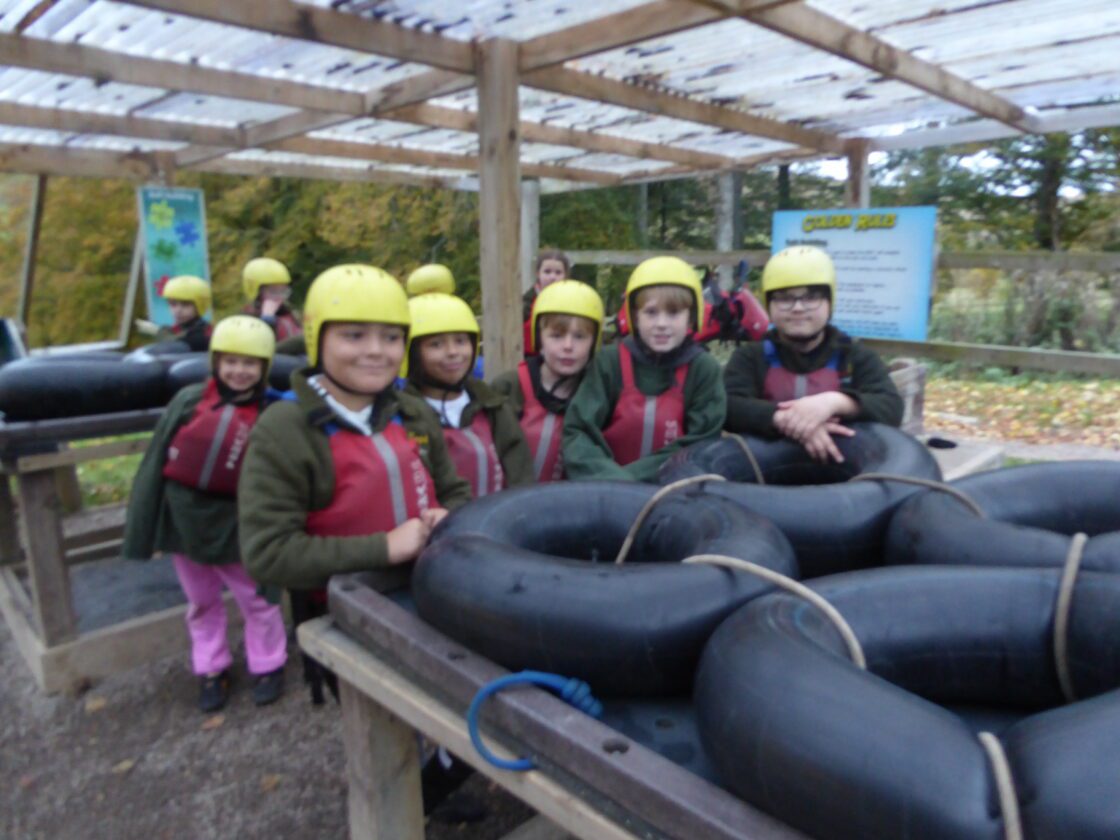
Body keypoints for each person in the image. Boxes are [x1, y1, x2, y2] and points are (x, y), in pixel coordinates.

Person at [237, 266, 480, 820]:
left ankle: (431, 788)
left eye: (391, 337)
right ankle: (397, 806)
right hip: (346, 614)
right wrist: (384, 548)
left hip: (430, 593)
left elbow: (454, 489)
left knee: (442, 703)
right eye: (353, 335)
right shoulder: (285, 429)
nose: (375, 351)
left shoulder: (410, 411)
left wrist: (449, 516)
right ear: (318, 338)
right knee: (385, 724)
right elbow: (269, 553)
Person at [122, 315, 287, 712]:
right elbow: (155, 463)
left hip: (239, 522)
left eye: (250, 363)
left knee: (258, 598)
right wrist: (145, 527)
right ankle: (212, 666)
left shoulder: (272, 411)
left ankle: (268, 663)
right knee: (200, 600)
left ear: (264, 367)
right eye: (230, 361)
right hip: (186, 520)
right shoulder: (188, 401)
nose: (239, 371)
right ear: (215, 362)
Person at [723, 245, 904, 463]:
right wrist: (789, 420)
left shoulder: (855, 357)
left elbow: (891, 407)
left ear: (829, 303)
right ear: (769, 306)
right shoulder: (750, 357)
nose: (798, 308)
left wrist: (834, 402)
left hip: (844, 470)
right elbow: (729, 405)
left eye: (811, 297)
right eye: (784, 298)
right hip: (765, 472)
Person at [562, 256, 726, 482]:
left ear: (691, 317)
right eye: (651, 312)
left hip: (671, 490)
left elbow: (701, 443)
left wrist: (630, 483)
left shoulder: (703, 370)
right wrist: (612, 481)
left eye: (673, 313)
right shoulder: (609, 362)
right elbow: (578, 432)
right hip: (603, 489)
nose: (661, 324)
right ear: (635, 317)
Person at [403, 292, 533, 495]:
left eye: (461, 341)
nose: (453, 352)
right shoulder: (403, 415)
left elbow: (520, 473)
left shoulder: (492, 406)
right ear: (412, 354)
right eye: (436, 344)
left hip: (500, 514)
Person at [491, 280, 604, 482]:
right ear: (539, 339)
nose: (568, 346)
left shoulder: (598, 394)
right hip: (510, 499)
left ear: (594, 342)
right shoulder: (509, 387)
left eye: (580, 337)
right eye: (557, 336)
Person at [241, 257, 302, 341]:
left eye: (283, 291)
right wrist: (267, 320)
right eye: (273, 291)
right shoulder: (246, 323)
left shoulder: (289, 313)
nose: (279, 297)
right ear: (256, 293)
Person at [522, 249, 571, 353]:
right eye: (547, 272)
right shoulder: (526, 302)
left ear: (565, 275)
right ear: (538, 273)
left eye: (558, 273)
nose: (552, 277)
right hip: (529, 356)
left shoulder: (572, 301)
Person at [158, 275, 213, 351]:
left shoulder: (202, 335)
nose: (178, 310)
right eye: (173, 304)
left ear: (199, 306)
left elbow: (177, 345)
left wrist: (163, 334)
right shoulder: (177, 329)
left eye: (185, 304)